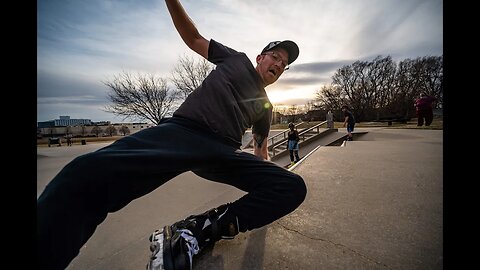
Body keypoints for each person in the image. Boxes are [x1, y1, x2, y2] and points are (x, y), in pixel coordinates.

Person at [37, 1, 307, 269]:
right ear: (261, 57)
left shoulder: (266, 106)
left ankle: (203, 228)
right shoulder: (235, 60)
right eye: (275, 57)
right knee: (84, 172)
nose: (279, 65)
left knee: (292, 187)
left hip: (222, 153)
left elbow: (262, 153)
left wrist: (268, 185)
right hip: (184, 133)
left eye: (283, 64)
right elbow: (193, 38)